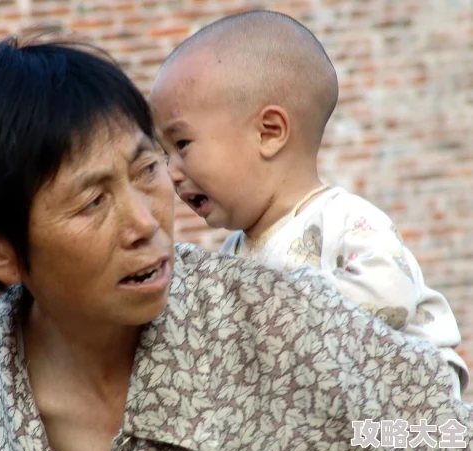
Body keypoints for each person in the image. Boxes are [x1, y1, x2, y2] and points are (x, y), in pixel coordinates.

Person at [0, 38, 473, 451]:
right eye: (91, 203)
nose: (146, 223)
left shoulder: (279, 317)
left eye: (148, 169)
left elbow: (452, 432)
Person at [149, 10, 468, 399]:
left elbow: (390, 296)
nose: (172, 172)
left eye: (181, 145)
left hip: (411, 400)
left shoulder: (345, 219)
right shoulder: (233, 253)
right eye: (164, 155)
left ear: (270, 133)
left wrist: (281, 319)